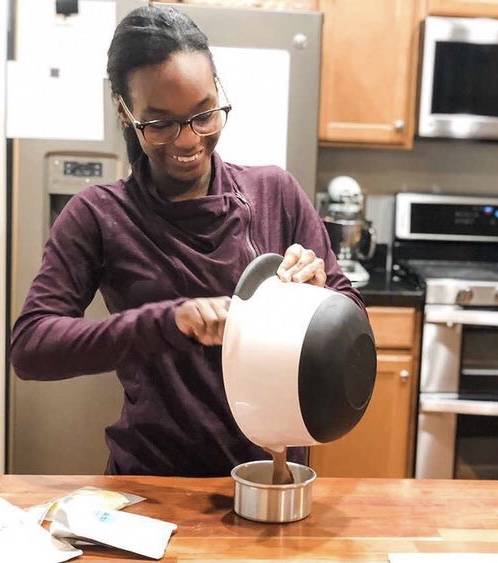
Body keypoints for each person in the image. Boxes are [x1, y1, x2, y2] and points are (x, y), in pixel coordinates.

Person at [10, 5, 364, 477]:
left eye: (204, 114)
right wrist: (167, 322)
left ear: (218, 91)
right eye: (160, 123)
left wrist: (317, 299)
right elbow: (32, 347)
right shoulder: (98, 214)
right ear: (125, 110)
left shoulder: (274, 192)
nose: (188, 140)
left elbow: (352, 318)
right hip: (152, 484)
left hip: (271, 476)